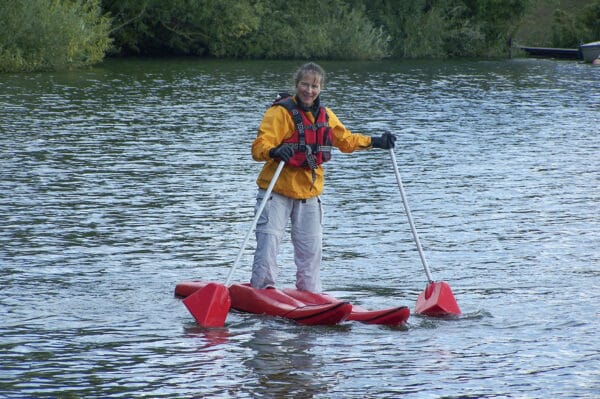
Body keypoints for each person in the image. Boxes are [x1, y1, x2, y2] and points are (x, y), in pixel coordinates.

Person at [250, 62, 396, 292]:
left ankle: (310, 296)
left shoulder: (325, 115)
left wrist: (375, 142)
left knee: (311, 251)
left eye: (314, 86)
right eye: (305, 85)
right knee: (268, 247)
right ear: (297, 85)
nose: (309, 90)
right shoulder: (279, 113)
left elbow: (346, 140)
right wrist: (274, 151)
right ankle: (261, 291)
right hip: (276, 192)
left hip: (309, 193)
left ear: (321, 88)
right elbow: (259, 146)